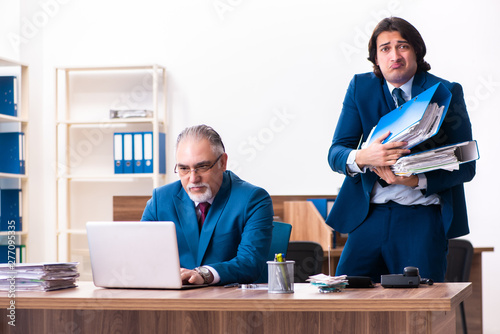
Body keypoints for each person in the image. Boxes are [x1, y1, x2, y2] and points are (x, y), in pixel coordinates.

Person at [325, 17, 475, 283]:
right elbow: (336, 153)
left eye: (402, 46)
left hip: (421, 217)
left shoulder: (445, 91)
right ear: (376, 58)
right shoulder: (361, 88)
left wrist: (417, 180)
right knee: (346, 302)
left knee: (420, 308)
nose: (394, 55)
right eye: (385, 49)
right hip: (367, 216)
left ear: (416, 51)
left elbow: (466, 163)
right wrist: (362, 157)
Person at [141, 124, 274, 285]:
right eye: (184, 168)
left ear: (223, 162)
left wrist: (203, 274)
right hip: (172, 299)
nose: (193, 178)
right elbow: (141, 255)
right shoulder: (160, 199)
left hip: (231, 301)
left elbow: (250, 263)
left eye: (202, 167)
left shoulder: (253, 199)